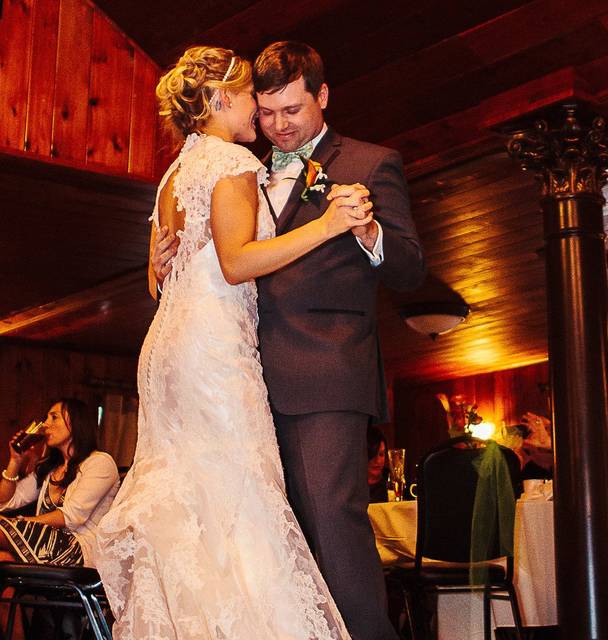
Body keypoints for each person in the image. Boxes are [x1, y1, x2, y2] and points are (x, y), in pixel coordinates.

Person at [149, 42, 425, 640]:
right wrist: (163, 261)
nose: (276, 125)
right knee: (261, 538)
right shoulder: (233, 164)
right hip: (235, 375)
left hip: (322, 372)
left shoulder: (372, 163)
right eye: (267, 111)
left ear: (323, 97)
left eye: (292, 110)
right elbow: (221, 260)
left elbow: (409, 271)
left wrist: (369, 230)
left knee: (331, 527)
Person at [95, 46, 373, 639]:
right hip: (212, 353)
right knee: (239, 498)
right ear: (223, 99)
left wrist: (156, 266)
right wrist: (327, 226)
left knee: (197, 500)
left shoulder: (174, 171)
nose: (260, 112)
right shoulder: (230, 161)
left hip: (169, 347)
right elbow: (236, 263)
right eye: (251, 96)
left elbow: (158, 276)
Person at [0, 399, 119, 567]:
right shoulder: (49, 469)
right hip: (43, 545)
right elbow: (5, 502)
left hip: (79, 550)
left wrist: (21, 522)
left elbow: (71, 516)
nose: (46, 424)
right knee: (3, 558)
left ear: (76, 423)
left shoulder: (100, 462)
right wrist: (15, 461)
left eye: (54, 417)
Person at [367, 425, 388, 503]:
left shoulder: (388, 485)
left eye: (381, 454)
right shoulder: (352, 489)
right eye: (373, 454)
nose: (378, 461)